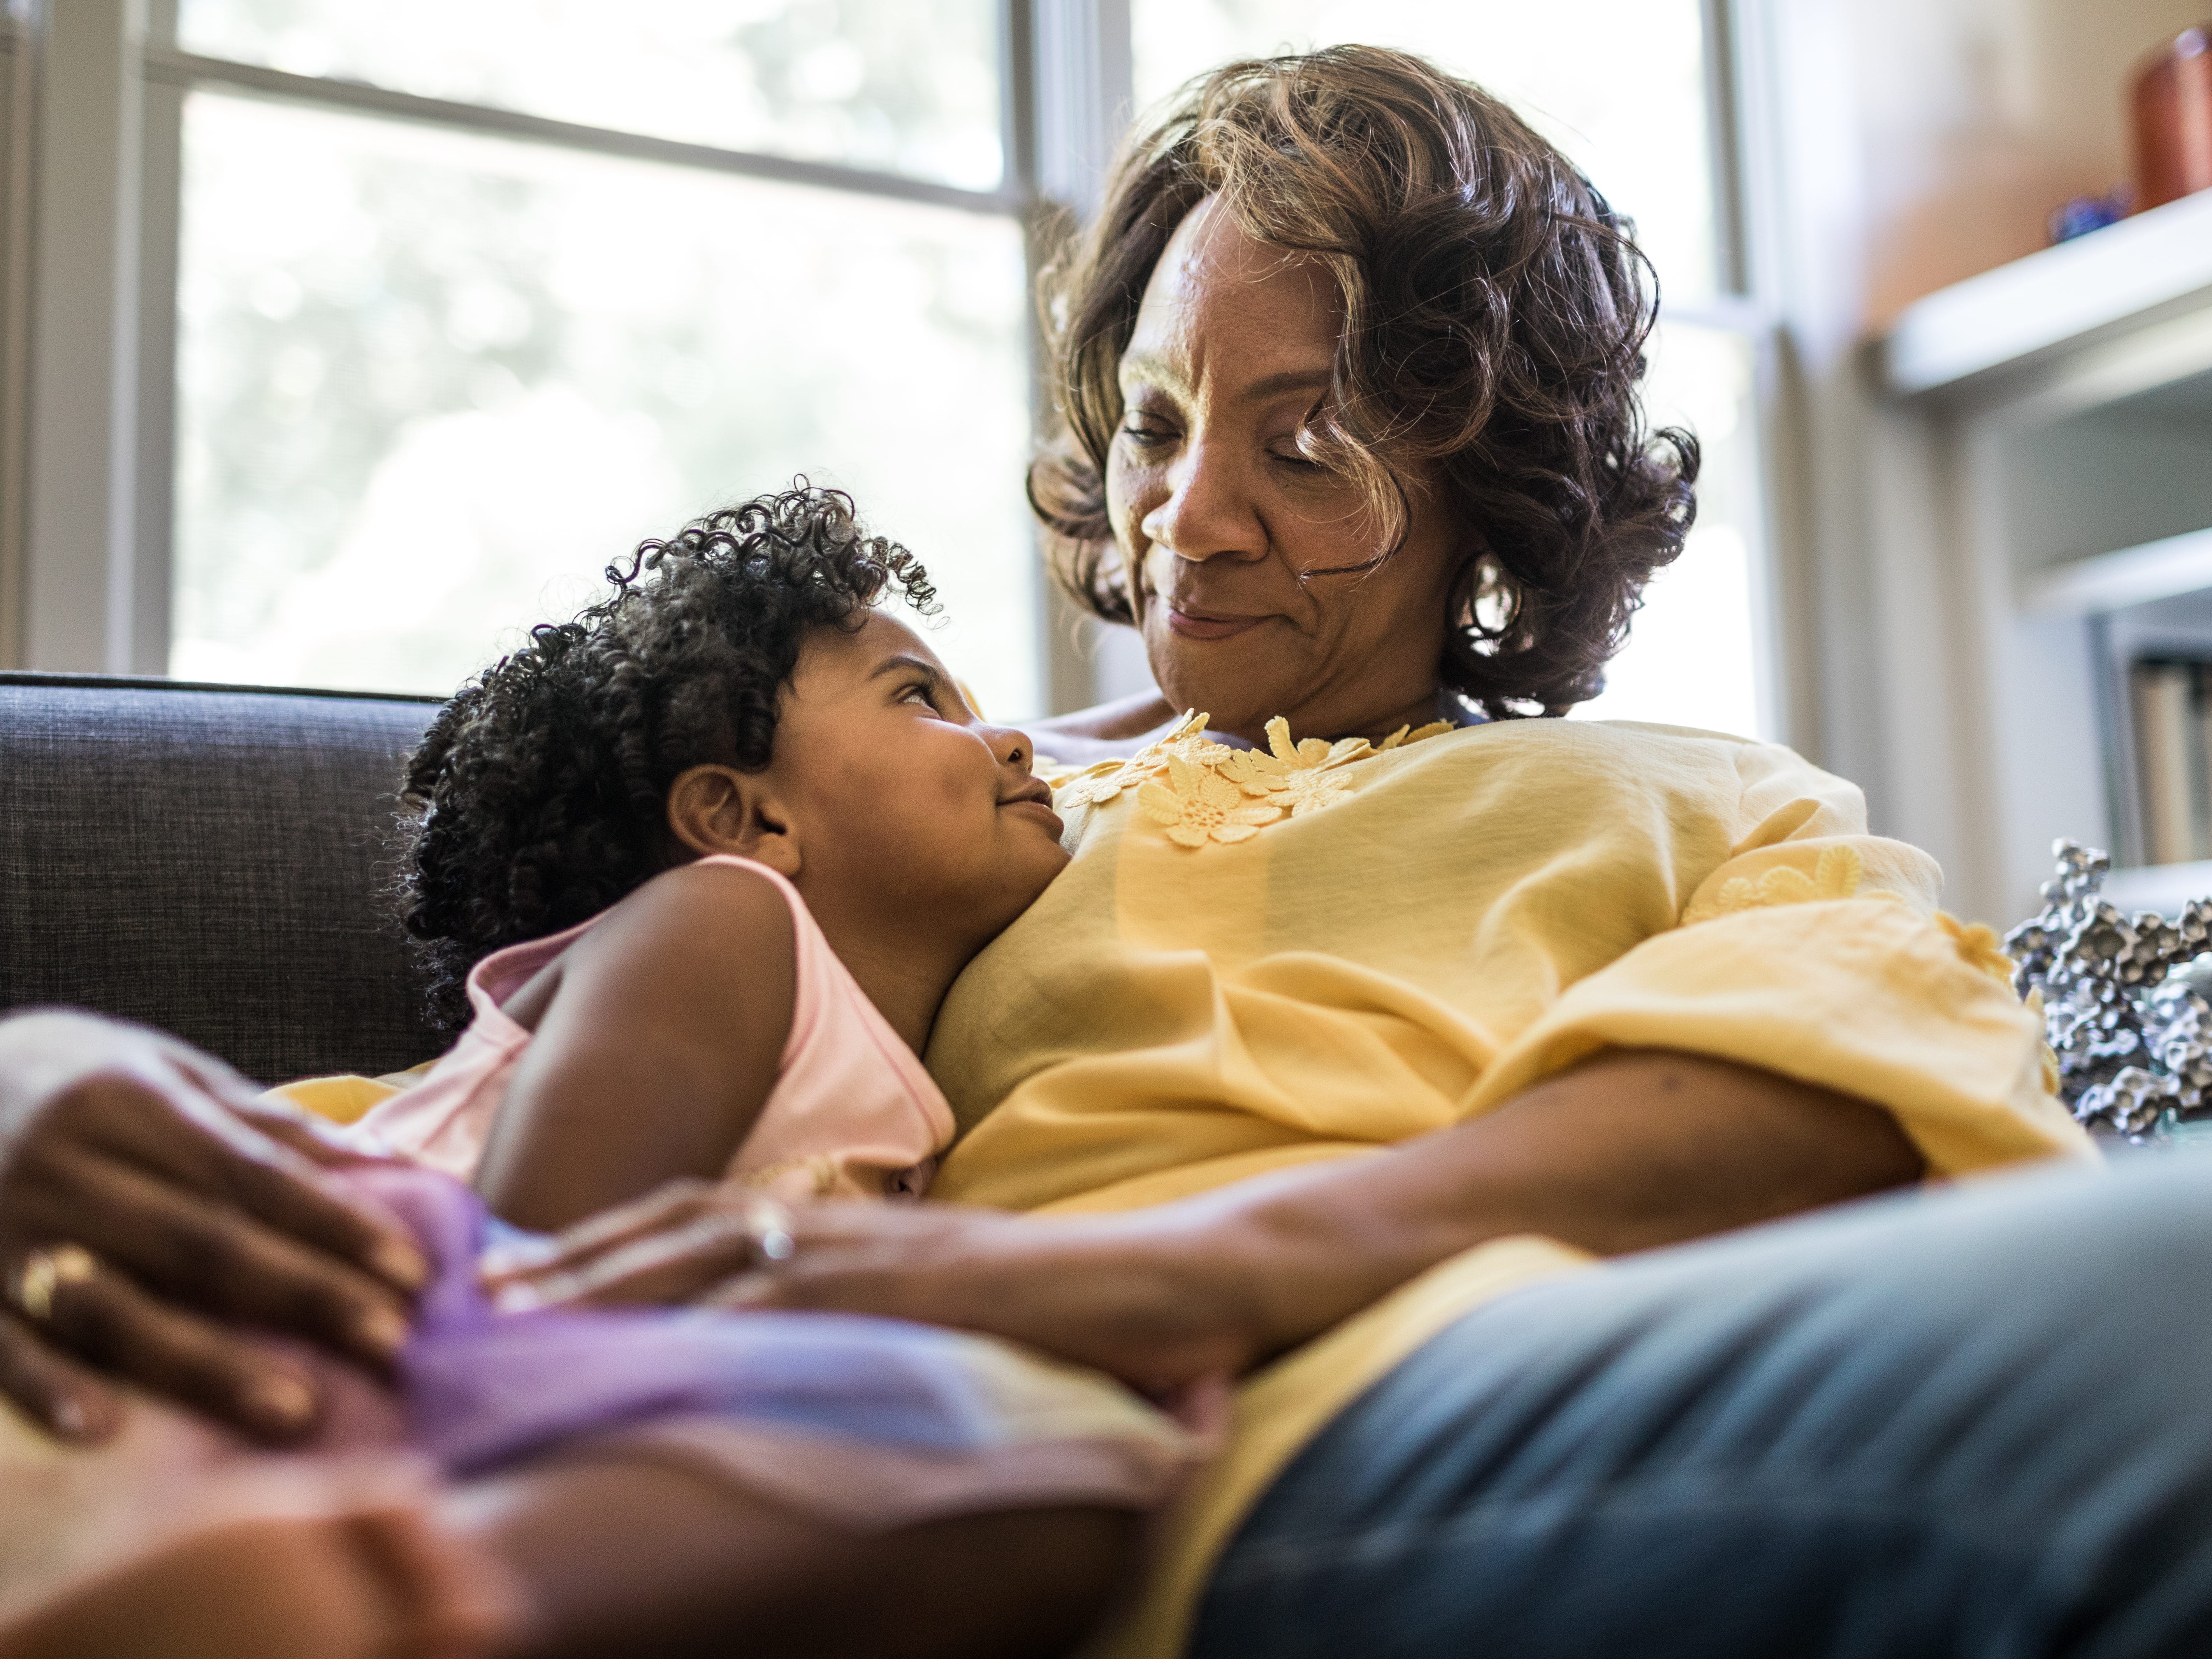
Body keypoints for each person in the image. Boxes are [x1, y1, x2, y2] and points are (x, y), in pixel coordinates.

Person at [6, 43, 2208, 1659]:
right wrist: (41, 1088)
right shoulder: (959, 807)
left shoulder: (1697, 795)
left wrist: (1153, 1270)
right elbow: (489, 1115)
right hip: (939, 1452)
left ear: (1491, 493)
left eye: (1308, 441)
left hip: (1400, 1387)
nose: (1188, 517)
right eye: (1157, 425)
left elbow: (1830, 1103)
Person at [0, 489, 1192, 1659]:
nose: (1013, 740)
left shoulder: (880, 1055)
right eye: (921, 698)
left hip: (390, 1426)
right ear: (746, 818)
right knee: (1046, 1472)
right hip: (338, 1333)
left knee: (1059, 1487)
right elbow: (551, 1259)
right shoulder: (728, 926)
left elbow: (1131, 735)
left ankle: (365, 1594)